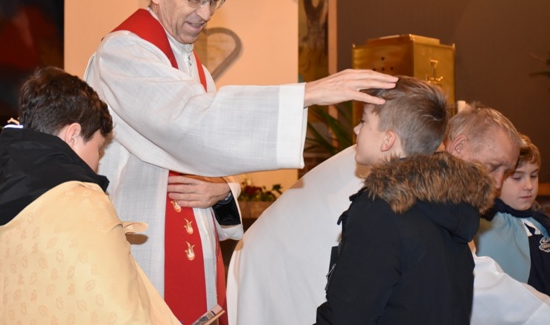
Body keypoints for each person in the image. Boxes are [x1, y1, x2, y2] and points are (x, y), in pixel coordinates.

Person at [84, 0, 398, 324]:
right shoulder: (123, 52)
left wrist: (223, 190)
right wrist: (308, 93)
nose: (206, 13)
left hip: (194, 242)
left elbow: (216, 148)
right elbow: (189, 122)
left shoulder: (194, 68)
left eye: (215, 1)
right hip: (144, 239)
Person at [228, 100, 550, 325]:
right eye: (494, 167)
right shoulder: (399, 183)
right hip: (277, 274)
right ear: (459, 146)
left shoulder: (425, 186)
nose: (497, 183)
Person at [0, 67, 180, 325]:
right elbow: (123, 315)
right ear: (73, 135)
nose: (97, 162)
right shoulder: (82, 203)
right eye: (98, 149)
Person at [314, 77, 495, 324]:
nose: (356, 129)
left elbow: (347, 315)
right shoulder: (453, 204)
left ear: (387, 140)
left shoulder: (380, 207)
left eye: (364, 121)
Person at [475, 134, 550, 296]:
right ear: (496, 178)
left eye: (533, 175)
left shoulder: (541, 221)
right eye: (517, 178)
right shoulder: (481, 227)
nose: (529, 186)